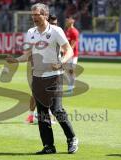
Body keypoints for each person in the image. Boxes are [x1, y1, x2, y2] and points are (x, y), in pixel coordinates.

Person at [6, 3, 78, 154]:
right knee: (42, 113)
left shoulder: (56, 31)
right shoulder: (30, 32)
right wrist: (16, 60)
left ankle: (72, 139)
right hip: (37, 77)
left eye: (37, 15)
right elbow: (28, 55)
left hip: (54, 77)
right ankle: (48, 146)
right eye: (32, 15)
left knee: (57, 110)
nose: (34, 18)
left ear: (45, 15)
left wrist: (61, 63)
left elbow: (69, 51)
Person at [25, 13, 58, 124]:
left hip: (53, 69)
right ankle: (33, 115)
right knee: (38, 93)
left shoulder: (56, 33)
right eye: (53, 24)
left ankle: (37, 115)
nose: (55, 26)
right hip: (38, 68)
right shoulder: (37, 33)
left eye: (56, 24)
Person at [64, 15, 79, 93]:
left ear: (72, 21)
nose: (66, 22)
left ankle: (71, 88)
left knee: (71, 70)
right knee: (68, 71)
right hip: (68, 54)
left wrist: (67, 53)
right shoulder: (67, 31)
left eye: (67, 20)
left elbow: (72, 45)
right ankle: (71, 87)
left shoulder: (74, 32)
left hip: (73, 55)